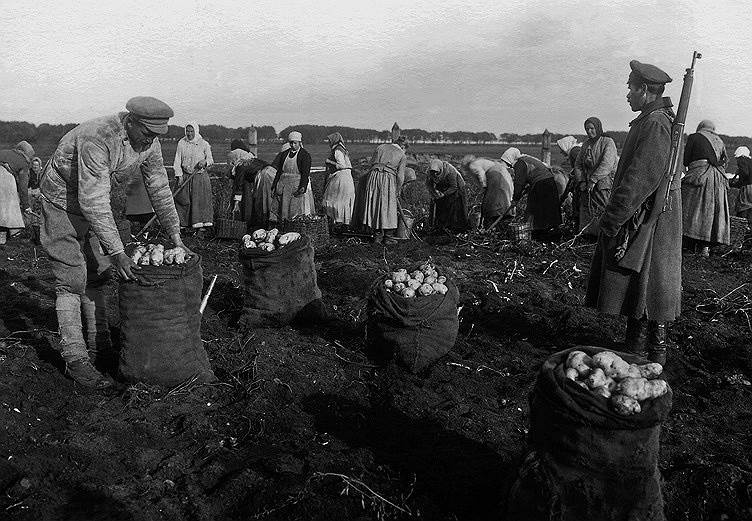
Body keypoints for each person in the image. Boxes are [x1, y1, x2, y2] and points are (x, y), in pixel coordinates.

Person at [39, 96, 192, 388]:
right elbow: (93, 200)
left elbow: (159, 186)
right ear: (130, 122)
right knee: (71, 276)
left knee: (97, 273)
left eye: (157, 135)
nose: (150, 141)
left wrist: (176, 237)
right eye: (147, 133)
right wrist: (119, 251)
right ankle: (75, 359)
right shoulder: (98, 139)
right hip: (61, 202)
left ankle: (101, 346)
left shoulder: (149, 142)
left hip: (93, 202)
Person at [586, 60, 680, 365]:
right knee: (644, 283)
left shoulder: (654, 124)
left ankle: (649, 354)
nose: (627, 94)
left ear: (645, 90)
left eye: (630, 87)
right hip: (646, 213)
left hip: (649, 214)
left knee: (649, 281)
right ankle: (640, 348)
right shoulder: (652, 120)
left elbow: (639, 178)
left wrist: (612, 218)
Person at [681, 120, 730, 256]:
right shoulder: (719, 141)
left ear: (700, 127)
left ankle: (688, 245)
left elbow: (686, 160)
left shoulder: (694, 137)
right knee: (713, 212)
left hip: (700, 176)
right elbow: (725, 160)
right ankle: (705, 247)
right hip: (718, 180)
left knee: (692, 208)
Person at [502, 147, 562, 238]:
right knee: (549, 208)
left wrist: (515, 199)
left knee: (536, 209)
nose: (510, 166)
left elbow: (519, 183)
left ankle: (539, 232)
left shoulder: (520, 163)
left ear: (511, 158)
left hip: (541, 185)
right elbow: (530, 176)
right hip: (549, 182)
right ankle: (552, 231)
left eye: (508, 163)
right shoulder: (528, 159)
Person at [573, 117, 618, 238]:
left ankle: (603, 236)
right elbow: (578, 164)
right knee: (586, 208)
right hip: (586, 182)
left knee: (602, 208)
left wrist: (594, 180)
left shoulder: (607, 142)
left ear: (598, 128)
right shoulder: (586, 144)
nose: (589, 131)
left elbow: (607, 164)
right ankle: (587, 235)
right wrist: (582, 180)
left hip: (603, 182)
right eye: (587, 129)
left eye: (592, 128)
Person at [361, 136, 407, 244]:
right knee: (388, 206)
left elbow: (371, 164)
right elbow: (400, 176)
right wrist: (398, 189)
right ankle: (388, 237)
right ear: (403, 146)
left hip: (373, 176)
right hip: (387, 178)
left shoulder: (380, 147)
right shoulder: (402, 154)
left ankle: (377, 235)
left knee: (376, 204)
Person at [173, 122, 214, 231]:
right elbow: (177, 160)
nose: (189, 133)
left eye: (192, 131)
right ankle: (183, 223)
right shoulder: (181, 143)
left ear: (196, 131)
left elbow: (210, 160)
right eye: (187, 131)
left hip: (199, 177)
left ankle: (200, 225)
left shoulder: (204, 144)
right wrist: (179, 175)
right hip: (186, 176)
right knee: (182, 199)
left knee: (199, 200)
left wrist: (204, 161)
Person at [271, 131, 314, 220]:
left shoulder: (304, 155)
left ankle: (291, 227)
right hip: (282, 184)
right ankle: (279, 226)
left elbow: (305, 173)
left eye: (295, 143)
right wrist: (274, 185)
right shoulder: (284, 154)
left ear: (299, 143)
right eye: (291, 143)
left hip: (295, 186)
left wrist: (303, 186)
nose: (293, 145)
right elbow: (279, 172)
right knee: (279, 209)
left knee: (293, 210)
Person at [462, 155, 514, 228]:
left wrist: (484, 186)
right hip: (502, 173)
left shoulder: (472, 165)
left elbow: (481, 174)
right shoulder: (481, 161)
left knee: (492, 200)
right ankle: (504, 215)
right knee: (503, 196)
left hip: (495, 175)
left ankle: (493, 218)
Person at [0, 141, 34, 245]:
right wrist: (26, 206)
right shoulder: (23, 162)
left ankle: (10, 233)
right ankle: (5, 235)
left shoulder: (4, 152)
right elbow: (23, 187)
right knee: (8, 207)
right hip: (4, 178)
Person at [322, 132, 355, 229]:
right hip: (347, 177)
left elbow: (342, 165)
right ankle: (344, 222)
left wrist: (329, 162)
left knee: (334, 199)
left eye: (329, 140)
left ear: (333, 140)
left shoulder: (337, 151)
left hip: (341, 177)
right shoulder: (343, 149)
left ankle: (337, 222)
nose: (328, 142)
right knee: (343, 200)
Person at [427, 158, 469, 233]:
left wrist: (443, 194)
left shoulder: (450, 171)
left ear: (440, 169)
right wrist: (434, 193)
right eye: (433, 172)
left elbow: (454, 187)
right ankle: (441, 226)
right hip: (444, 186)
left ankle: (456, 228)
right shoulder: (429, 172)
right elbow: (429, 185)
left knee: (456, 207)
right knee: (440, 205)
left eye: (436, 172)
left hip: (458, 188)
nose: (435, 174)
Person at [556, 136, 582, 228]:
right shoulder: (576, 150)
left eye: (561, 149)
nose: (561, 152)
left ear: (565, 146)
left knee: (579, 207)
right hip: (581, 181)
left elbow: (579, 168)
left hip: (582, 183)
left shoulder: (574, 152)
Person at [730, 146, 752, 233]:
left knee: (742, 208)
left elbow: (745, 173)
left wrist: (737, 184)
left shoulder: (742, 160)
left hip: (748, 188)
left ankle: (740, 231)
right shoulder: (750, 161)